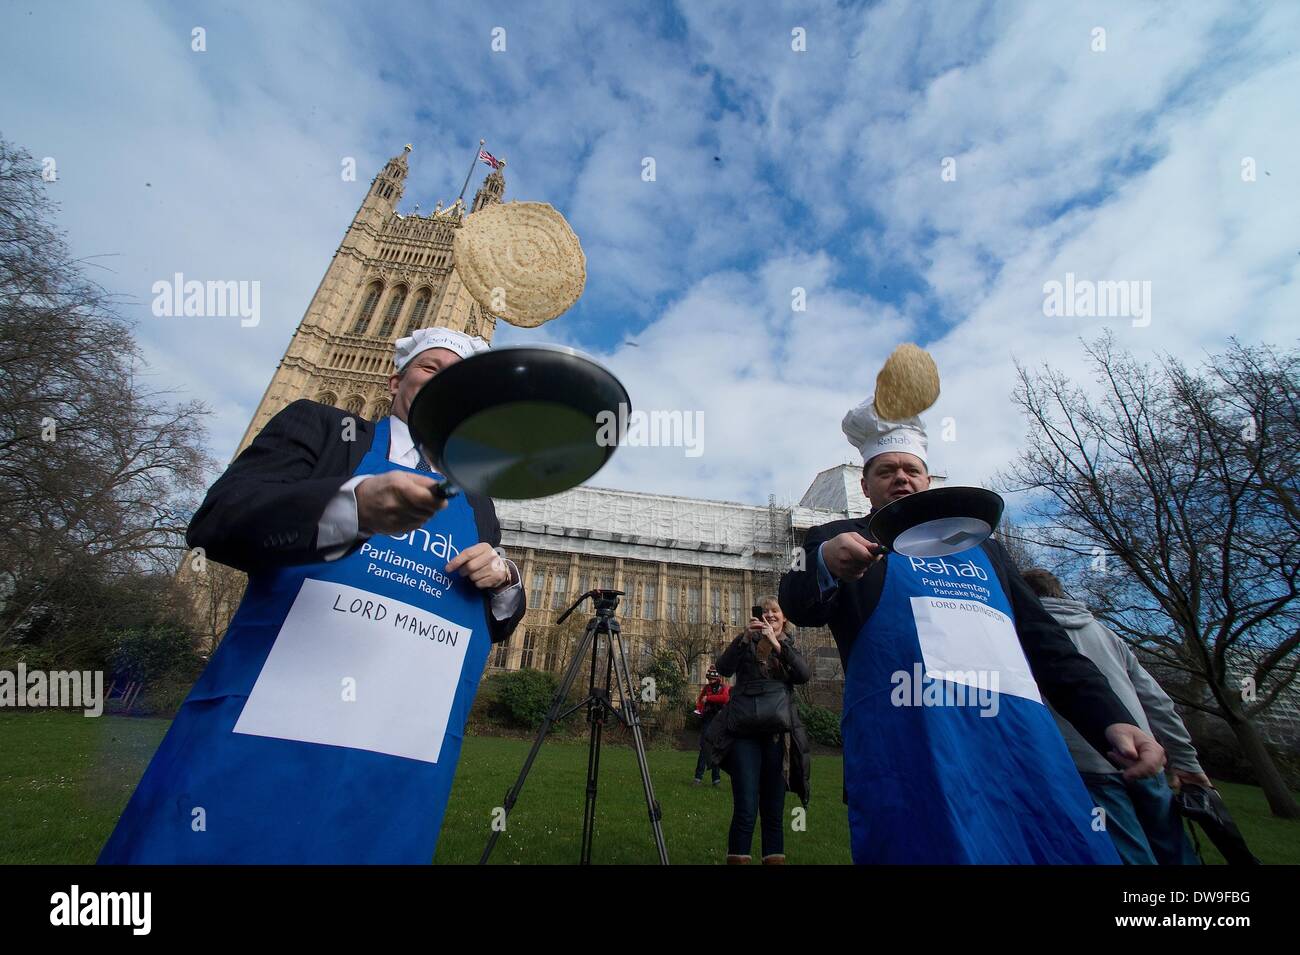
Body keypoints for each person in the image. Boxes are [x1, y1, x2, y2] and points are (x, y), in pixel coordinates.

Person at [100, 327, 527, 864]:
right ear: (395, 378)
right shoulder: (325, 430)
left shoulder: (478, 497)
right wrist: (352, 506)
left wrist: (506, 579)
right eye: (430, 369)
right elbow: (220, 520)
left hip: (403, 740)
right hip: (269, 718)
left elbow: (492, 619)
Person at [779, 397, 1166, 864]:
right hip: (912, 749)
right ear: (865, 485)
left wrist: (1113, 719)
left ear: (927, 479)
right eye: (886, 471)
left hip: (1021, 746)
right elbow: (798, 604)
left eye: (910, 469)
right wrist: (825, 562)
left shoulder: (989, 551)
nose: (901, 478)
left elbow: (1049, 649)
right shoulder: (842, 535)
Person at [1023, 568, 1206, 865]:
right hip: (1145, 757)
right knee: (1176, 851)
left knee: (1129, 856)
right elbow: (1157, 701)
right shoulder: (1106, 634)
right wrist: (1186, 761)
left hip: (1087, 763)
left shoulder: (1020, 634)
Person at [706, 596, 811, 865]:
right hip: (744, 734)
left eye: (775, 610)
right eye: (764, 611)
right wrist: (744, 638)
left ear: (784, 617)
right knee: (746, 809)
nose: (770, 615)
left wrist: (777, 644)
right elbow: (723, 668)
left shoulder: (787, 646)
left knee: (774, 812)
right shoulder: (745, 642)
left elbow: (803, 674)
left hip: (776, 736)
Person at [693, 666, 730, 786]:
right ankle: (698, 777)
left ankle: (716, 779)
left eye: (712, 679)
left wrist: (709, 698)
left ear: (717, 679)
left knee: (716, 749)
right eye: (709, 679)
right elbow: (700, 700)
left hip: (718, 721)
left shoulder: (723, 688)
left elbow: (725, 698)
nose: (710, 682)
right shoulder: (707, 688)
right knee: (704, 747)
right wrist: (699, 709)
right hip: (707, 720)